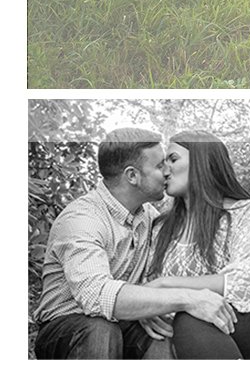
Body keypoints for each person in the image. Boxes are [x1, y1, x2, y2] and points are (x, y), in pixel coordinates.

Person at [34, 128, 236, 359]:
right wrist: (188, 298)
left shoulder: (149, 217)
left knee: (162, 331)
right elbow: (96, 295)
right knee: (101, 329)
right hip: (67, 328)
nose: (167, 171)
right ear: (132, 176)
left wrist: (149, 305)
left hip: (124, 323)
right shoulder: (82, 219)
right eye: (160, 166)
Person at [144, 130, 250, 359]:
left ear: (203, 161)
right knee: (188, 322)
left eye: (173, 159)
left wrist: (166, 284)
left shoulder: (244, 212)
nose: (165, 169)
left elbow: (245, 284)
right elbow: (148, 289)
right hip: (192, 323)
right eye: (163, 163)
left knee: (192, 319)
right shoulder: (160, 227)